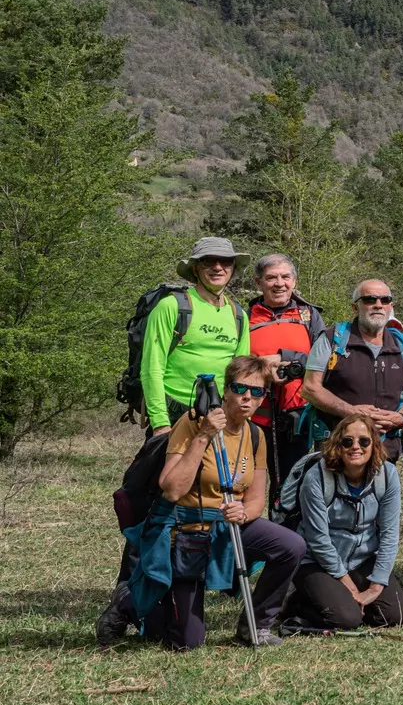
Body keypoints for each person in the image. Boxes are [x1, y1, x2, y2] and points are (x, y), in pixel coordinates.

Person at [120, 355, 305, 648]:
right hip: (186, 528)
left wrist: (243, 513)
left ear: (262, 398)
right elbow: (171, 489)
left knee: (291, 545)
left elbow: (257, 498)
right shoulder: (193, 421)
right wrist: (205, 435)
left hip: (226, 524)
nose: (247, 397)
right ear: (225, 390)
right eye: (240, 388)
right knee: (186, 642)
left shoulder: (255, 435)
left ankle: (256, 626)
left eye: (256, 392)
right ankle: (129, 604)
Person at [285, 411, 403, 630]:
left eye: (364, 441)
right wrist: (349, 586)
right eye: (347, 441)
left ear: (374, 444)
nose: (356, 447)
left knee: (395, 615)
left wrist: (376, 586)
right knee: (346, 619)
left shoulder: (387, 475)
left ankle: (338, 600)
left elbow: (390, 535)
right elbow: (318, 539)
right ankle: (297, 603)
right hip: (317, 561)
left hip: (362, 558)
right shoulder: (317, 477)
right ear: (337, 445)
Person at [138, 237, 254, 435]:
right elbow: (152, 367)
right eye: (208, 261)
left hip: (220, 415)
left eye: (225, 262)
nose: (218, 267)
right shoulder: (172, 306)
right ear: (195, 269)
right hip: (175, 413)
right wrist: (160, 423)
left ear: (233, 268)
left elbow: (241, 376)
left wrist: (243, 419)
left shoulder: (239, 316)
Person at [303, 278, 403, 461]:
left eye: (384, 300)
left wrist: (400, 416)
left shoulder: (401, 345)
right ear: (355, 307)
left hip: (385, 449)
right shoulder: (332, 339)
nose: (378, 305)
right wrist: (350, 411)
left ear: (390, 306)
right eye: (370, 299)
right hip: (339, 448)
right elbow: (310, 388)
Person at [246, 253, 326, 498]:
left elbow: (325, 360)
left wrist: (284, 357)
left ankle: (287, 535)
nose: (279, 283)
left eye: (285, 276)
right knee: (246, 484)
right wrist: (261, 366)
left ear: (294, 281)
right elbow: (231, 362)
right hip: (251, 417)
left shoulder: (310, 316)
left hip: (296, 419)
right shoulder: (243, 316)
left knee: (291, 488)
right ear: (258, 283)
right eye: (271, 278)